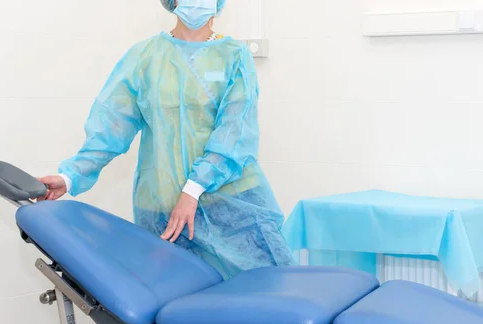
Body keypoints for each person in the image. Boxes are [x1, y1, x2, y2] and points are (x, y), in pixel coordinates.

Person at [37, 0, 294, 279]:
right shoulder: (144, 56)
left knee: (267, 293)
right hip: (163, 206)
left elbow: (235, 131)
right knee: (181, 306)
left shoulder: (234, 56)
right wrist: (71, 176)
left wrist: (193, 189)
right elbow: (111, 125)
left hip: (231, 202)